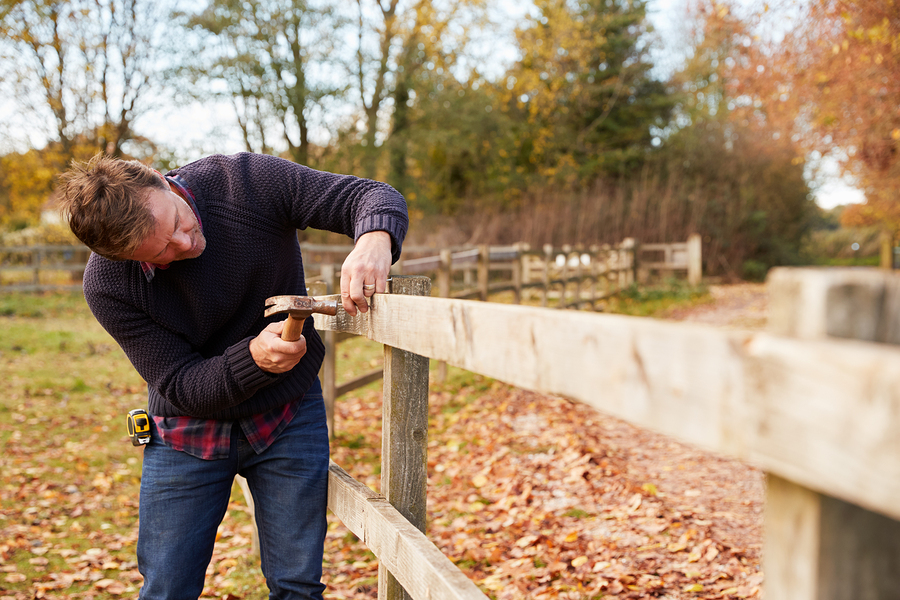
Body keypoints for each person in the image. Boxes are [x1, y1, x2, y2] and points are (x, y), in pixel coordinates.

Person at [57, 152, 408, 600]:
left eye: (178, 222)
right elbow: (182, 384)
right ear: (119, 256)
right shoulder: (108, 284)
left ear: (161, 181)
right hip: (185, 430)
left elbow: (370, 196)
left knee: (296, 585)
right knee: (167, 587)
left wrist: (374, 240)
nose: (184, 244)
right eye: (161, 251)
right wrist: (253, 359)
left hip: (288, 413)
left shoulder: (246, 182)